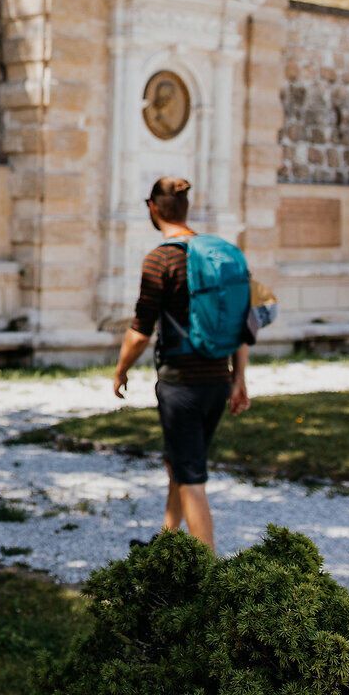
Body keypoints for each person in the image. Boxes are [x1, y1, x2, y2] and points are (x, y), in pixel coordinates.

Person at [110, 176, 250, 549]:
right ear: (186, 209)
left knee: (191, 476)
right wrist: (239, 378)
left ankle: (206, 575)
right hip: (217, 377)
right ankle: (168, 544)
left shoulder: (160, 259)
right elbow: (241, 322)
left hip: (180, 383)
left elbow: (141, 329)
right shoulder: (219, 254)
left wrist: (121, 369)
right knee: (181, 459)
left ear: (153, 208)